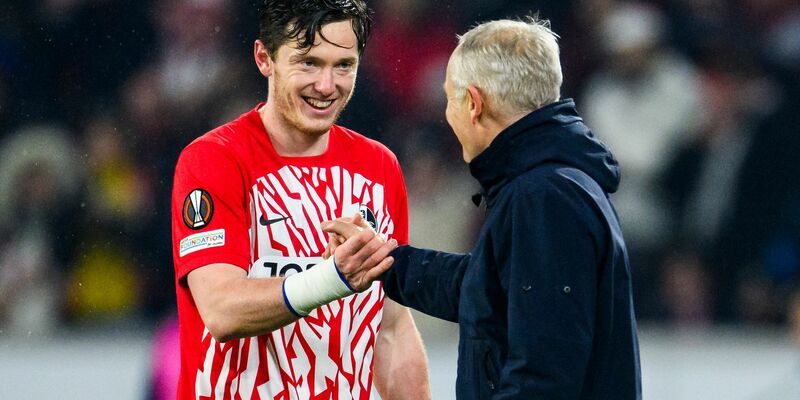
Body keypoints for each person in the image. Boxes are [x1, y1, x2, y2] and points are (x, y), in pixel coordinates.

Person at [324, 17, 641, 399]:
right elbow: (489, 293)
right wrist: (383, 260)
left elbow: (543, 376)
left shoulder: (542, 197)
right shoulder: (553, 184)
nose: (446, 114)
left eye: (449, 98)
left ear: (473, 103)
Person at [170, 1, 430, 398]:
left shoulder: (379, 168)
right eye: (308, 62)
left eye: (343, 65)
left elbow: (391, 329)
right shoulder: (214, 160)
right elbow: (221, 310)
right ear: (264, 58)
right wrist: (331, 279)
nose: (327, 86)